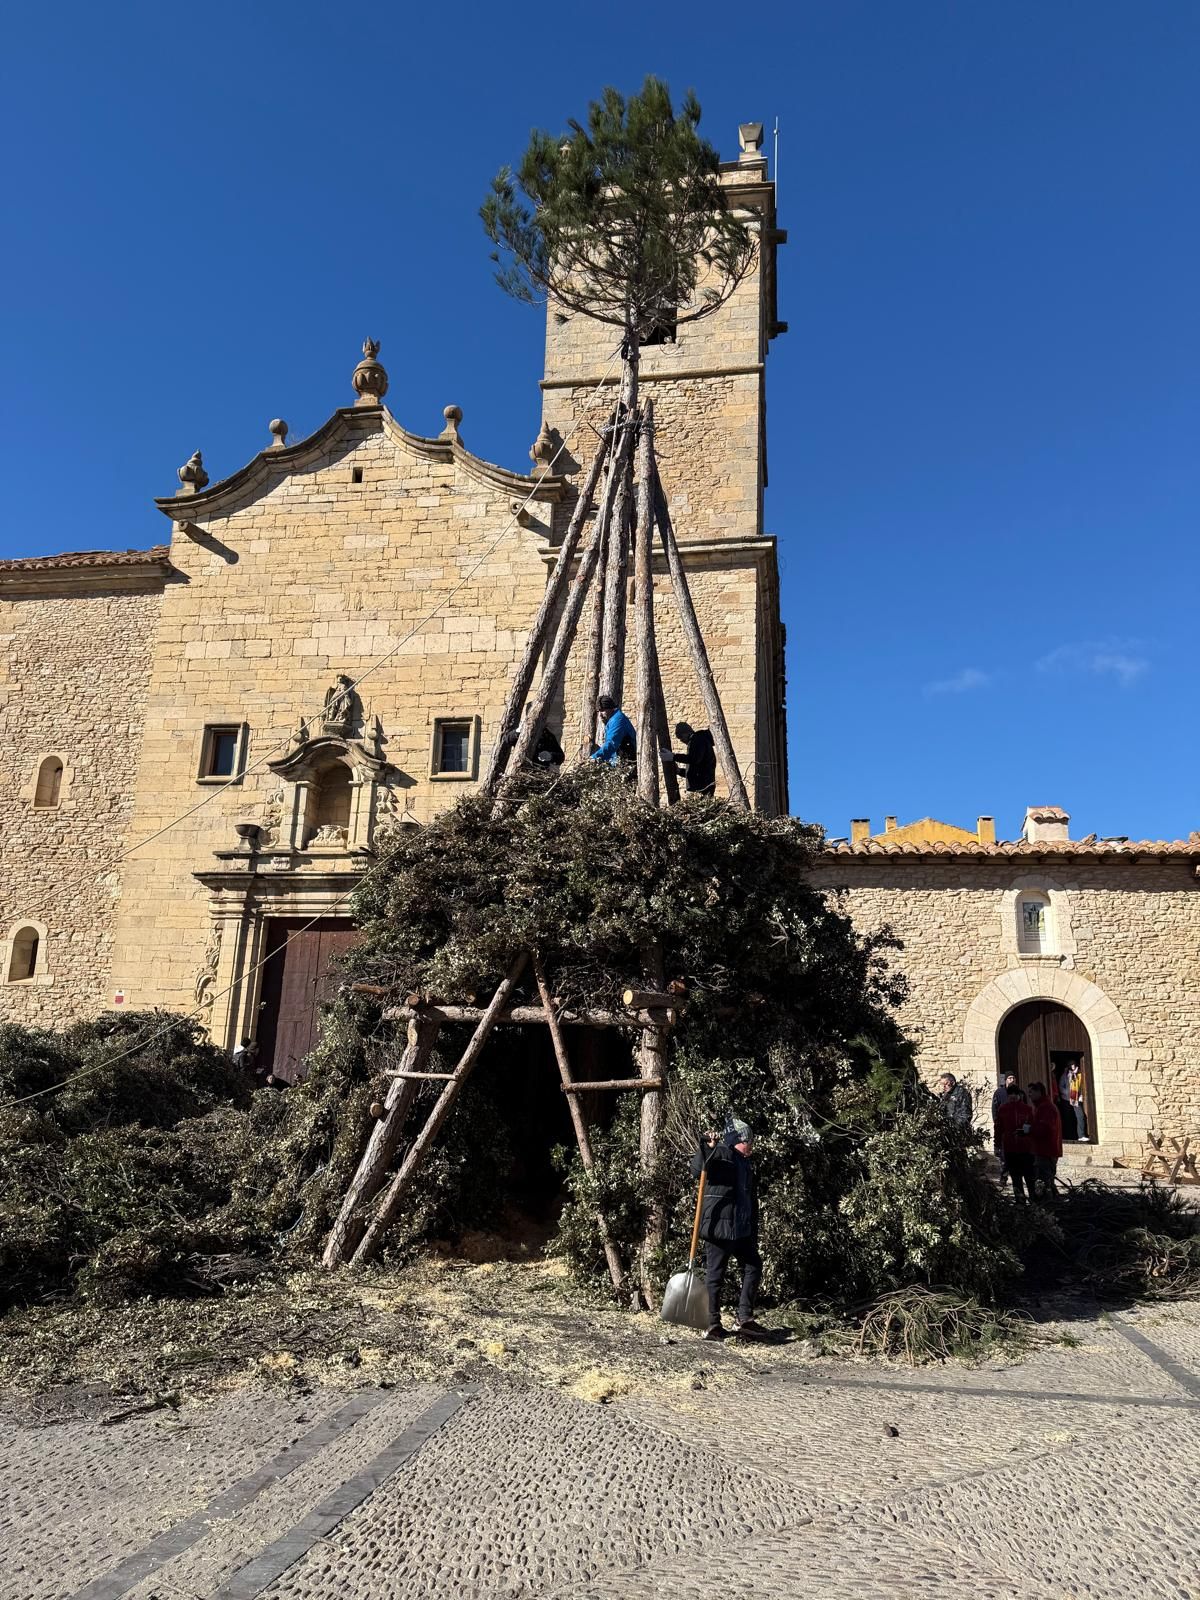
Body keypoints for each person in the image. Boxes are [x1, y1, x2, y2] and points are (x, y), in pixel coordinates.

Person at [691, 1118, 767, 1341]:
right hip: (719, 1228)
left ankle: (744, 1318)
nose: (750, 1144)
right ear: (736, 1140)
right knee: (716, 1275)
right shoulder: (722, 1153)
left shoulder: (745, 1163)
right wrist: (707, 1148)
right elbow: (698, 1169)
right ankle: (711, 1323)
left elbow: (748, 1199)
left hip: (740, 1229)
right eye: (747, 1140)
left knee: (753, 1265)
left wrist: (752, 1227)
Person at [995, 1084, 1037, 1202]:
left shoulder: (1027, 1109)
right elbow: (998, 1128)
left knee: (1029, 1177)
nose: (1012, 1097)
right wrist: (997, 1144)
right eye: (1010, 1095)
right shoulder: (1003, 1109)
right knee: (1015, 1177)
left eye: (1015, 1094)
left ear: (1019, 1095)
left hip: (1026, 1148)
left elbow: (1033, 1126)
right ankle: (1020, 1201)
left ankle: (1034, 1200)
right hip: (1010, 1148)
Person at [1028, 1081, 1062, 1199]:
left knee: (1043, 1181)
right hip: (1043, 1150)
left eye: (1031, 1092)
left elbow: (1045, 1129)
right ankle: (1054, 1203)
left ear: (1039, 1092)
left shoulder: (1046, 1108)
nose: (1029, 1095)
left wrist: (1030, 1129)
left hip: (1046, 1151)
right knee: (1048, 1181)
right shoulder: (1041, 1107)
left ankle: (1048, 1206)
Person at [673, 722, 716, 796]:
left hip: (704, 785)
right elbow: (696, 769)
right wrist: (679, 771)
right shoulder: (698, 740)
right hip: (704, 784)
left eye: (681, 736)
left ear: (687, 732)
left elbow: (694, 759)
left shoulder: (697, 740)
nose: (681, 740)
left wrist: (674, 757)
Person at [591, 695, 636, 766]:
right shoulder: (613, 719)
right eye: (598, 711)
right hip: (619, 761)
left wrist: (594, 757)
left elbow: (611, 743)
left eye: (602, 710)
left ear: (610, 708)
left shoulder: (617, 720)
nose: (600, 715)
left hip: (627, 763)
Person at [991, 1073, 1018, 1183]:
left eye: (1013, 1078)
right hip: (1004, 1128)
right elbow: (994, 1108)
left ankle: (1016, 1178)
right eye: (1009, 1078)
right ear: (1005, 1080)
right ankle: (1004, 1176)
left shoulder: (1019, 1092)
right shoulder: (999, 1092)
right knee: (1004, 1155)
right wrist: (996, 1121)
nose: (1011, 1080)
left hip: (1016, 1129)